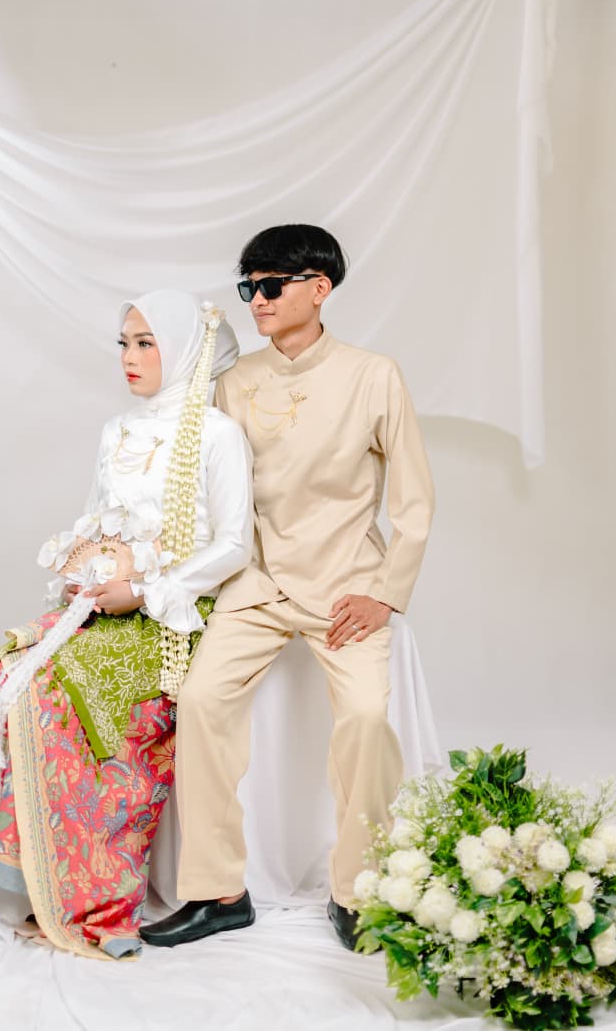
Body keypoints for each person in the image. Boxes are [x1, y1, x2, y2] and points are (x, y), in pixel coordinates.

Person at [0, 291, 253, 958]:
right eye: (124, 343)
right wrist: (84, 570)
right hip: (105, 603)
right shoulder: (117, 429)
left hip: (169, 615)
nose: (129, 357)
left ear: (184, 350)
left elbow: (234, 544)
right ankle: (28, 880)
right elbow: (92, 517)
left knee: (53, 698)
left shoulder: (217, 433)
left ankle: (88, 895)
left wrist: (147, 589)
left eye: (146, 342)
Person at [140, 224, 435, 951]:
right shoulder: (233, 384)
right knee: (201, 703)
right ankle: (217, 891)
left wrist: (386, 593)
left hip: (347, 586)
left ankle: (359, 890)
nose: (257, 300)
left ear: (319, 287)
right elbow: (213, 494)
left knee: (365, 716)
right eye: (249, 287)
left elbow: (414, 500)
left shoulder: (374, 375)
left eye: (271, 285)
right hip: (258, 585)